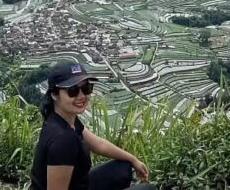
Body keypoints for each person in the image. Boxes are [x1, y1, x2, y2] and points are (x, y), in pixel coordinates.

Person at [30, 61, 156, 190]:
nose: (81, 96)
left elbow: (98, 144)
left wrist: (133, 159)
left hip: (78, 185)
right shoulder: (63, 140)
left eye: (86, 88)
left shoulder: (65, 118)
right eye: (72, 91)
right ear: (55, 94)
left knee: (124, 166)